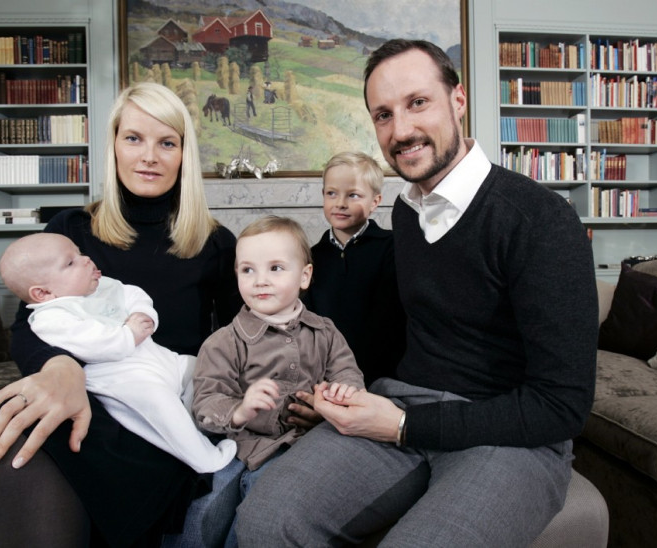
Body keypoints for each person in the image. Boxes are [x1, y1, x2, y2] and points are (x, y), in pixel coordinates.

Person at [236, 39, 598, 546]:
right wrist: (342, 392)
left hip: (511, 437)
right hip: (402, 404)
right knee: (263, 520)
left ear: (459, 99)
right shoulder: (406, 213)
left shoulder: (540, 220)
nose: (401, 130)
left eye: (417, 102)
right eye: (383, 115)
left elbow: (561, 407)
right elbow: (400, 335)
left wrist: (406, 425)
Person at [0, 82, 317, 547]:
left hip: (162, 411)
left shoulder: (215, 244)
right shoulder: (70, 231)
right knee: (8, 429)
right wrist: (62, 369)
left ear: (183, 154)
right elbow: (29, 326)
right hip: (85, 397)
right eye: (134, 138)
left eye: (166, 142)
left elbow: (251, 338)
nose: (149, 155)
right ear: (113, 145)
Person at [0, 232, 237, 474]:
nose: (86, 259)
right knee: (162, 409)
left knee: (202, 368)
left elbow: (133, 293)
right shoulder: (50, 317)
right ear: (43, 293)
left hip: (161, 360)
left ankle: (202, 421)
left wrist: (143, 313)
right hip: (125, 379)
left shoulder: (102, 287)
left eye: (80, 253)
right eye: (71, 263)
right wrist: (128, 335)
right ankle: (206, 459)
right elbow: (90, 341)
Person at [192, 215, 365, 546]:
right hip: (247, 449)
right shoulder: (224, 342)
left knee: (290, 501)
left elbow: (346, 370)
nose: (260, 281)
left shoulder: (324, 332)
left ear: (304, 276)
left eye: (275, 268)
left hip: (310, 447)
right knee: (226, 510)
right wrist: (240, 409)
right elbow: (206, 401)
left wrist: (346, 388)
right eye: (247, 270)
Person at [303, 151, 406, 385]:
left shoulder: (393, 248)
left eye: (353, 195)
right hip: (328, 375)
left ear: (375, 202)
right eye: (332, 193)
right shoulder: (311, 257)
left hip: (384, 374)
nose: (340, 203)